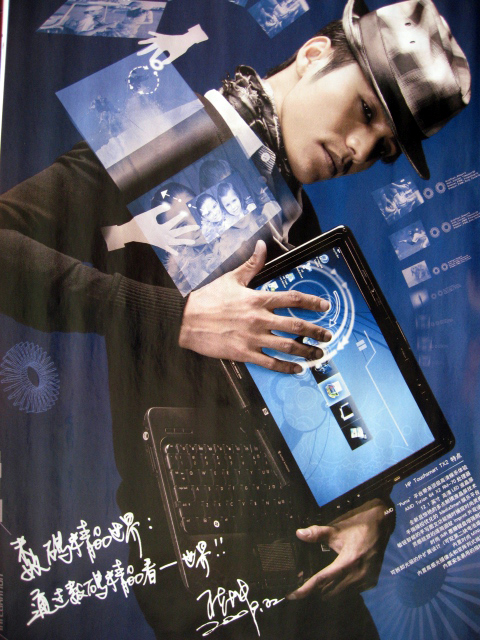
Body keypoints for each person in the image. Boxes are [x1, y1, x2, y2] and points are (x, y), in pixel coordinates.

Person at [0, 0, 470, 637]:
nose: (361, 149)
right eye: (365, 110)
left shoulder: (299, 217)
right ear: (314, 55)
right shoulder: (158, 137)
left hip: (309, 558)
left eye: (384, 148)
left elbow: (328, 387)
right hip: (202, 558)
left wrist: (370, 506)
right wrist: (178, 317)